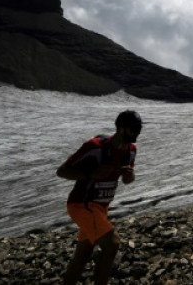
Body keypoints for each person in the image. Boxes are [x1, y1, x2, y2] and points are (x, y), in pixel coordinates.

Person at [56, 110, 143, 285]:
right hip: (82, 205)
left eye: (139, 129)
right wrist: (91, 174)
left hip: (100, 208)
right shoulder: (95, 147)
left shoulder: (130, 150)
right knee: (112, 244)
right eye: (134, 129)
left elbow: (128, 180)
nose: (137, 133)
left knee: (83, 255)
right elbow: (62, 171)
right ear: (120, 128)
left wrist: (129, 175)